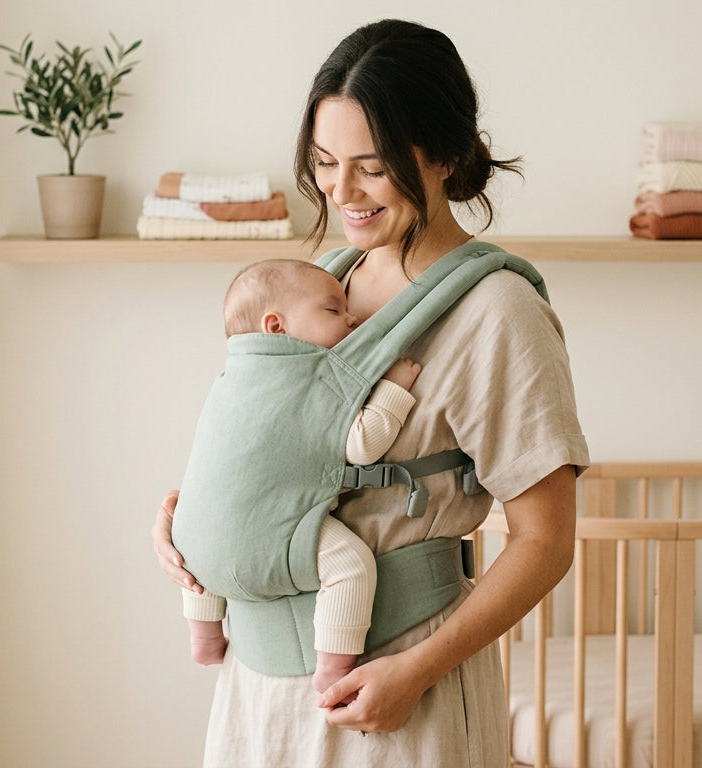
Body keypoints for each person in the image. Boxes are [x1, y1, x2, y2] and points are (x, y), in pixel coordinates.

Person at [153, 18, 588, 766]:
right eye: (325, 162)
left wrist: (415, 672)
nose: (341, 191)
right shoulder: (318, 286)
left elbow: (544, 542)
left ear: (445, 156)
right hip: (259, 685)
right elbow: (262, 448)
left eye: (373, 167)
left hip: (400, 682)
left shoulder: (498, 313)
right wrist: (190, 524)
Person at [181, 257, 422, 697]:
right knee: (351, 566)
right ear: (277, 327)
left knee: (202, 550)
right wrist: (394, 389)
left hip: (196, 534)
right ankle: (333, 665)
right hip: (271, 528)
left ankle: (204, 635)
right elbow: (361, 445)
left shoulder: (231, 378)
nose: (352, 319)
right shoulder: (309, 378)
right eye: (333, 310)